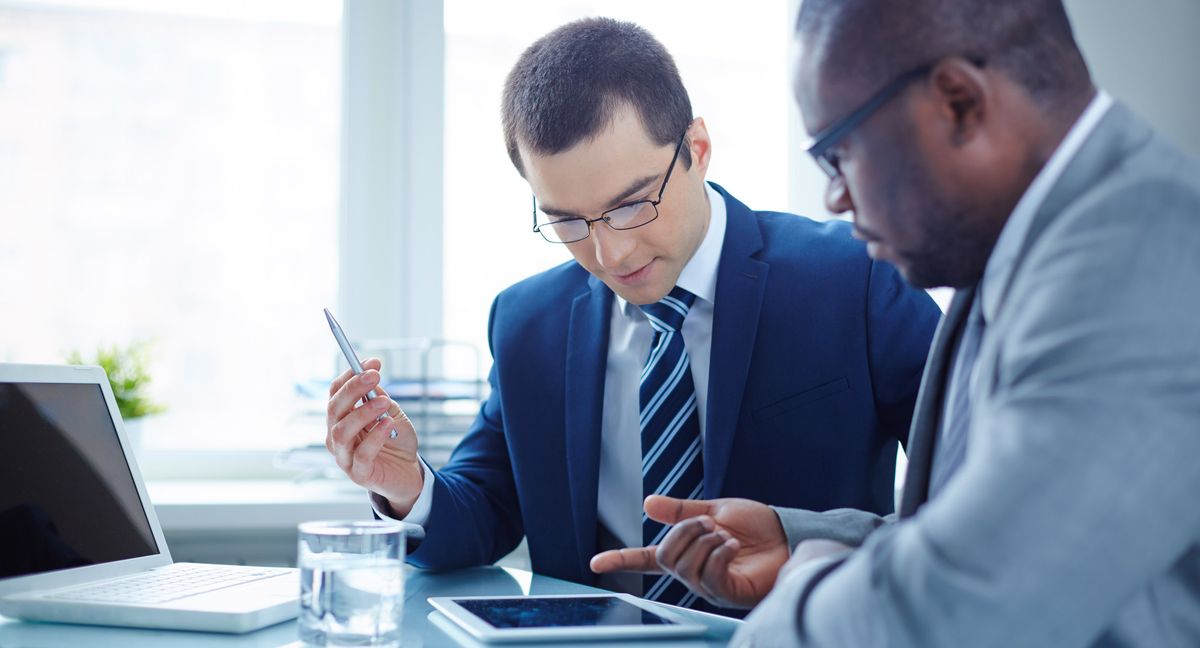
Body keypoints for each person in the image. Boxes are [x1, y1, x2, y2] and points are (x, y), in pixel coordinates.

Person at [592, 0, 1200, 643]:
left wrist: (795, 602)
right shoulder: (1038, 246)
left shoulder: (1140, 261)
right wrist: (801, 544)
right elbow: (1004, 531)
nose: (835, 197)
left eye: (839, 151)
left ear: (959, 102)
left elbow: (970, 601)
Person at [324, 17, 941, 613]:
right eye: (567, 221)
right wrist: (405, 485)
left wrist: (802, 538)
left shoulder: (856, 277)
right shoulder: (527, 323)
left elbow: (979, 502)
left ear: (697, 151)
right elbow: (481, 512)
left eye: (632, 205)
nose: (610, 252)